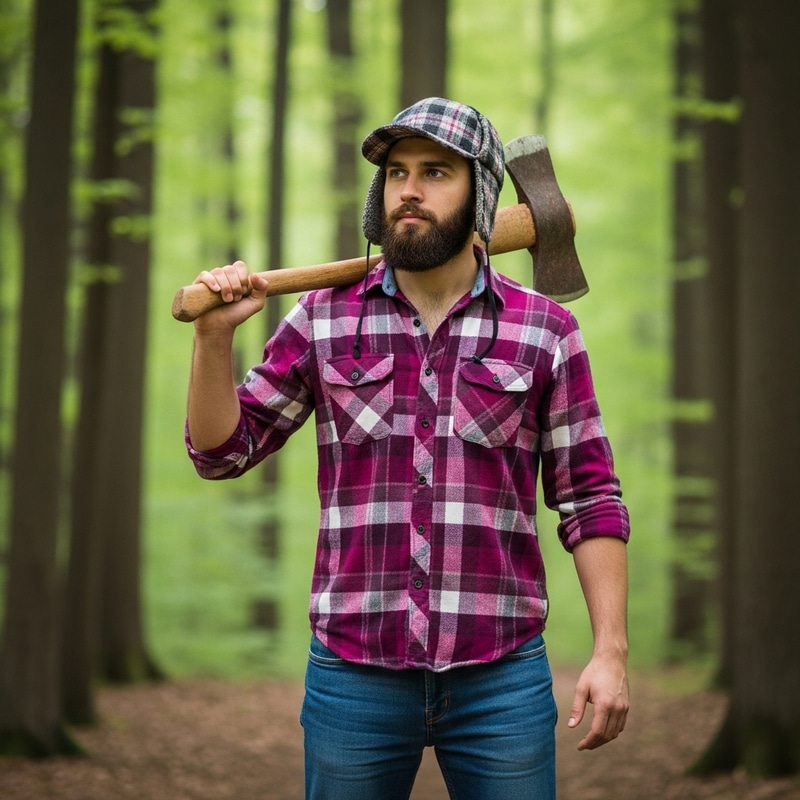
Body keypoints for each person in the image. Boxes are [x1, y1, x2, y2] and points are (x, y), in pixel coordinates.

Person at [185, 97, 630, 800]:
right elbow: (222, 452)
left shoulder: (545, 332)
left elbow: (590, 499)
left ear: (483, 190)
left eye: (435, 171)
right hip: (352, 674)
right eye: (396, 173)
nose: (409, 190)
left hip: (502, 675)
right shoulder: (323, 319)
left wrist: (611, 651)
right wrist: (213, 340)